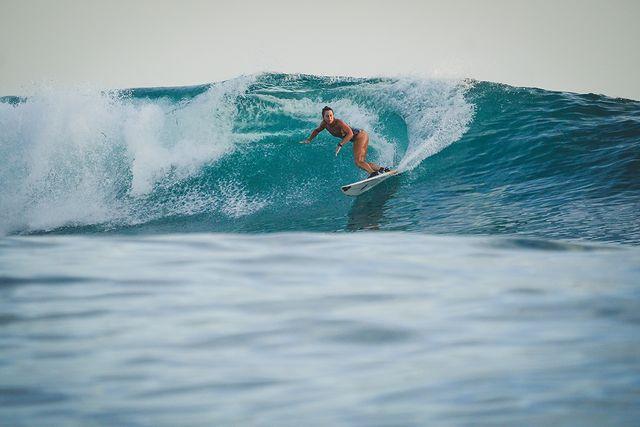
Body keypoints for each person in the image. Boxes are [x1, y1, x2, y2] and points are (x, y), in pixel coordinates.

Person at [301, 106, 390, 178]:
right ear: (323, 117)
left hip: (360, 136)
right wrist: (309, 140)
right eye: (327, 116)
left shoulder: (338, 122)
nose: (329, 118)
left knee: (358, 162)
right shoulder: (324, 124)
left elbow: (350, 134)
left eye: (331, 115)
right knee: (362, 162)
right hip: (357, 138)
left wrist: (340, 144)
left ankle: (373, 174)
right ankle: (382, 169)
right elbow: (317, 130)